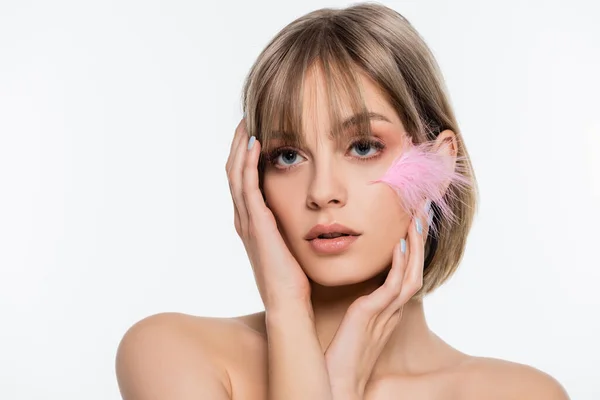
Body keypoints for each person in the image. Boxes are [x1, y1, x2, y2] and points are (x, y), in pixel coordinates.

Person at [115, 3, 570, 399]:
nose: (321, 192)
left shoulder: (522, 394)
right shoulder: (172, 353)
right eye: (288, 156)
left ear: (439, 163)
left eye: (364, 147)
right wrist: (289, 311)